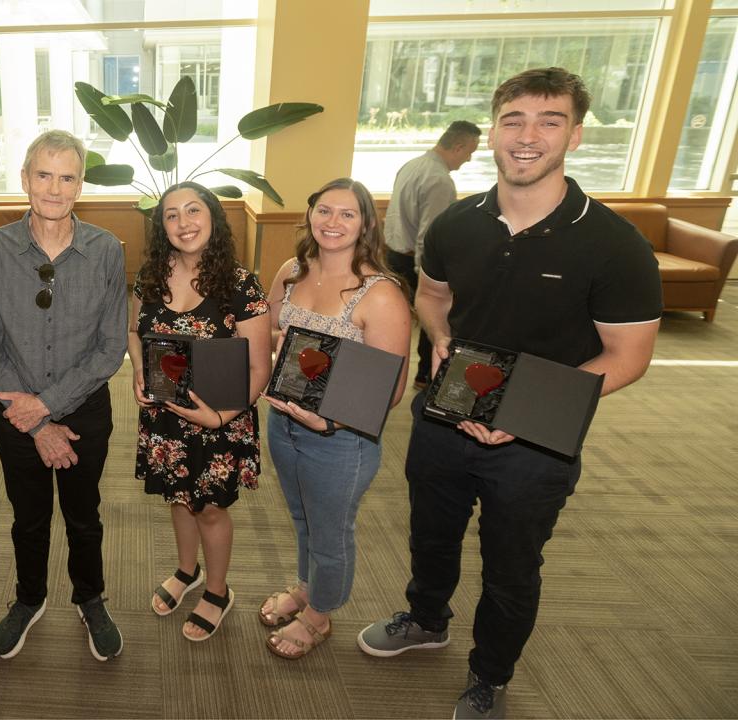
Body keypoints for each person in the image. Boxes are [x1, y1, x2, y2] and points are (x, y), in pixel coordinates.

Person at [356, 68, 661, 719]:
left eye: (549, 121)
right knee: (431, 535)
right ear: (492, 131)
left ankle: (488, 675)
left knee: (511, 565)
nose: (528, 136)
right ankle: (426, 618)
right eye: (514, 120)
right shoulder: (455, 224)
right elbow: (433, 297)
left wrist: (522, 414)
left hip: (537, 441)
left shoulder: (615, 245)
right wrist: (437, 332)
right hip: (445, 417)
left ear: (574, 135)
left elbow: (628, 356)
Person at [0, 130, 127, 661]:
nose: (54, 188)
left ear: (80, 185)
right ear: (25, 179)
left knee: (85, 516)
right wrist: (37, 423)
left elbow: (111, 350)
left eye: (66, 177)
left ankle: (90, 598)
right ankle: (28, 598)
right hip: (15, 413)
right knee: (28, 518)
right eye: (44, 174)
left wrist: (49, 406)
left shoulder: (107, 251)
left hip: (85, 411)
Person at [260, 178, 411, 660]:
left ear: (366, 223)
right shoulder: (291, 270)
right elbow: (266, 333)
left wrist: (332, 424)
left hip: (340, 441)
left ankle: (320, 614)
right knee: (302, 519)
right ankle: (307, 588)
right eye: (324, 210)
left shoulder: (380, 294)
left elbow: (391, 387)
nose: (332, 223)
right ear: (310, 215)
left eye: (347, 214)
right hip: (283, 423)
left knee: (331, 530)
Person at [131, 182, 271, 642]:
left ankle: (216, 590)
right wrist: (137, 373)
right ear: (162, 226)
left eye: (194, 210)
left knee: (209, 508)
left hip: (219, 419)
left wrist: (221, 417)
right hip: (166, 413)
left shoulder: (239, 283)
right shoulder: (149, 276)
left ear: (212, 217)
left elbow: (259, 366)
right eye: (172, 215)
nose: (184, 222)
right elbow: (133, 331)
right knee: (177, 496)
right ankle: (186, 569)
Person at [384, 120, 481, 388]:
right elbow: (429, 235)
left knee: (399, 321)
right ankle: (426, 375)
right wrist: (427, 277)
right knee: (434, 317)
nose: (469, 159)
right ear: (458, 147)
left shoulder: (412, 165)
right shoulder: (440, 181)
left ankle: (393, 375)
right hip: (413, 262)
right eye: (470, 152)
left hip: (393, 255)